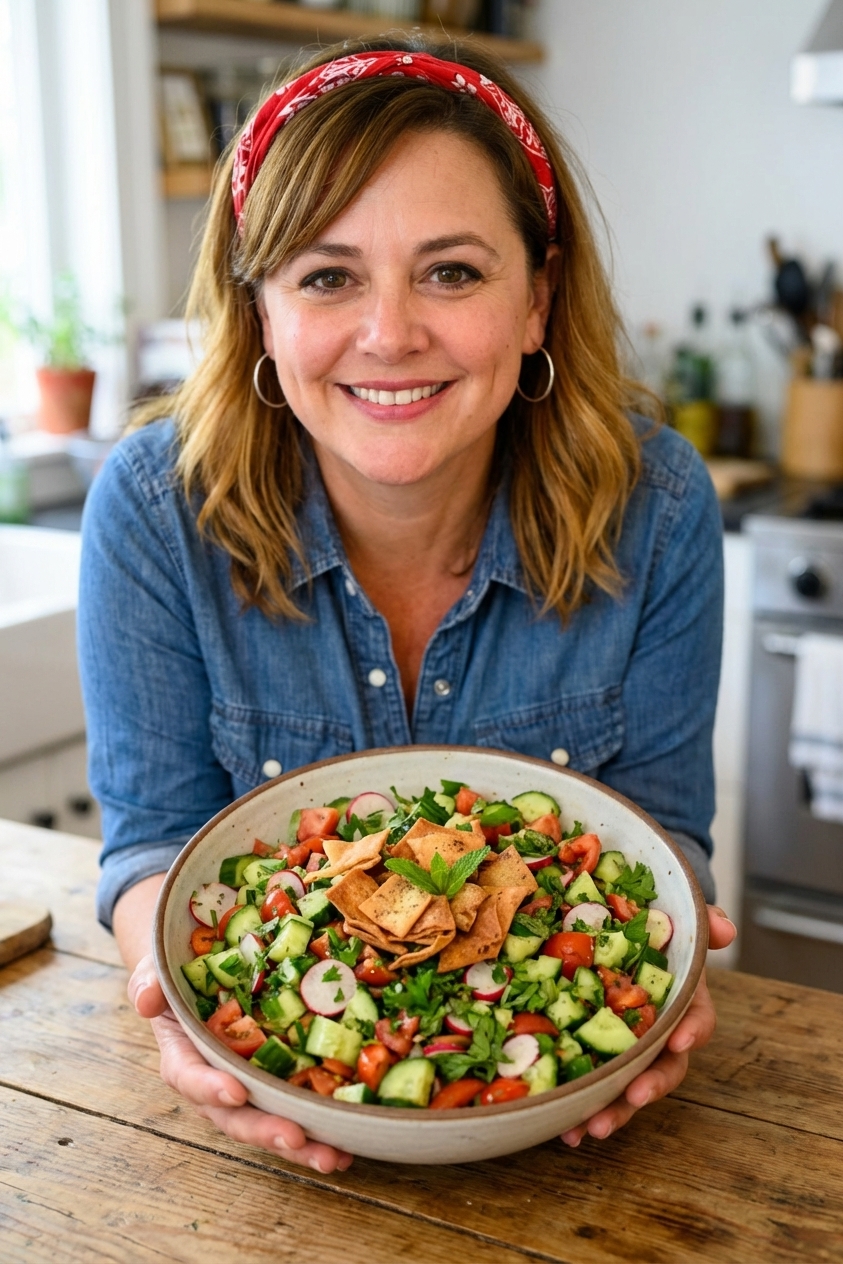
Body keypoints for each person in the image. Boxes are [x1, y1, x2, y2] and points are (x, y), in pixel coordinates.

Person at [79, 36, 736, 1174]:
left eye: (452, 271)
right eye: (327, 275)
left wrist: (658, 985)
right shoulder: (151, 511)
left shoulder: (661, 506)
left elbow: (660, 839)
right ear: (263, 314)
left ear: (538, 298)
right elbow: (152, 849)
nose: (390, 335)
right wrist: (173, 999)